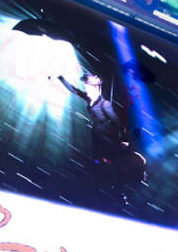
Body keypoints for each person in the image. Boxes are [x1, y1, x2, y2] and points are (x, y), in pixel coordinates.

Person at [57, 70, 146, 202]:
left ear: (95, 88)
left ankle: (121, 191)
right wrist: (60, 78)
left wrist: (125, 140)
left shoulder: (104, 104)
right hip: (98, 135)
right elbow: (75, 90)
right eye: (85, 87)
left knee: (114, 163)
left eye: (87, 87)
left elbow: (118, 122)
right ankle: (107, 189)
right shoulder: (89, 99)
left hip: (108, 137)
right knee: (102, 163)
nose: (86, 90)